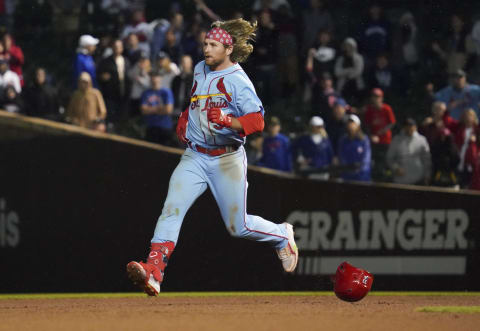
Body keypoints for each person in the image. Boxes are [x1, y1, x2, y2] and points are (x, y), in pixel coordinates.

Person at [127, 18, 298, 296]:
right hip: (195, 155)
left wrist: (230, 121)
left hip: (226, 159)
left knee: (238, 227)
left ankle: (281, 235)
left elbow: (257, 122)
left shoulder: (238, 81)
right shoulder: (199, 69)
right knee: (172, 209)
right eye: (206, 43)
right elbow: (198, 103)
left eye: (213, 44)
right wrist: (187, 118)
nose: (207, 48)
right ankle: (154, 271)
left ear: (228, 49)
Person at [386, 118, 431, 185]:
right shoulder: (396, 140)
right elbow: (389, 158)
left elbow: (427, 159)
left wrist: (427, 175)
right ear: (404, 127)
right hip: (401, 179)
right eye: (407, 126)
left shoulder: (422, 140)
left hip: (419, 179)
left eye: (411, 126)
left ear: (415, 127)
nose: (409, 129)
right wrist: (396, 168)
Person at [364, 88, 396, 181]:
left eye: (378, 97)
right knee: (376, 162)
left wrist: (382, 131)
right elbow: (367, 125)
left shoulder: (387, 108)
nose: (376, 99)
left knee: (386, 160)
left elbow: (392, 122)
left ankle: (386, 179)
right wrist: (371, 136)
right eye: (374, 96)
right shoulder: (369, 110)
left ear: (381, 98)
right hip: (374, 140)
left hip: (386, 140)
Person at [97, 39, 131, 123]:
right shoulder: (106, 61)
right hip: (110, 95)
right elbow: (99, 75)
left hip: (124, 94)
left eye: (119, 47)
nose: (117, 48)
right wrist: (102, 77)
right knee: (111, 116)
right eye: (115, 47)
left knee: (122, 117)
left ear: (122, 48)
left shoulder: (126, 61)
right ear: (112, 48)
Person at [140, 71, 174, 145]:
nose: (155, 79)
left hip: (165, 126)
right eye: (153, 77)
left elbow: (168, 110)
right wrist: (160, 108)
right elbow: (143, 111)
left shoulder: (166, 92)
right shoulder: (146, 93)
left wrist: (150, 109)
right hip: (151, 126)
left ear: (160, 78)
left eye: (157, 77)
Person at [338, 114, 371, 182]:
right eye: (349, 123)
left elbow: (366, 159)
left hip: (362, 176)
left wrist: (358, 170)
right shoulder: (343, 140)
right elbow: (342, 157)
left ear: (358, 125)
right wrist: (348, 169)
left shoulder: (364, 140)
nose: (350, 125)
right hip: (347, 176)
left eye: (353, 123)